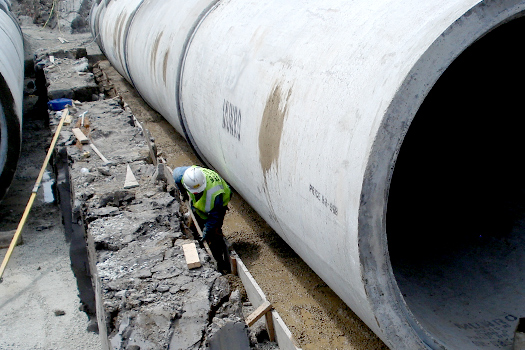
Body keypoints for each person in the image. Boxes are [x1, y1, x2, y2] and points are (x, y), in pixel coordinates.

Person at [173, 165, 232, 273]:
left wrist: (206, 232)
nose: (195, 193)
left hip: (219, 205)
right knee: (197, 215)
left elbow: (214, 217)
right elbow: (177, 180)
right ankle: (198, 236)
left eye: (197, 191)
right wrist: (183, 192)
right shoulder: (182, 175)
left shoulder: (215, 194)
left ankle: (221, 261)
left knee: (214, 232)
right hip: (203, 204)